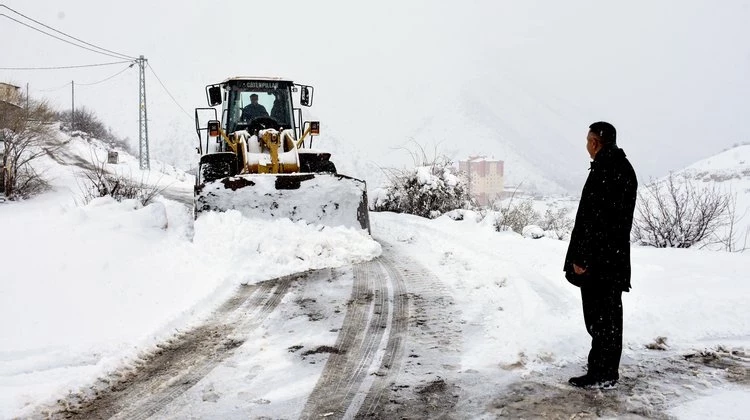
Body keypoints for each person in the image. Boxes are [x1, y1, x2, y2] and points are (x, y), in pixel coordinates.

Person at [564, 121, 638, 390]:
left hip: (601, 261)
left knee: (601, 318)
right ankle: (603, 368)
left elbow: (595, 221)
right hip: (611, 258)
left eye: (588, 140)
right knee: (606, 317)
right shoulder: (619, 167)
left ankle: (603, 373)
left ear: (596, 142)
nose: (586, 145)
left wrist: (583, 259)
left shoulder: (607, 170)